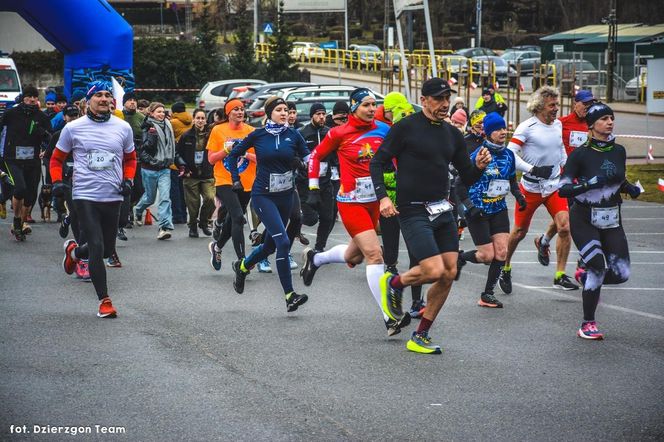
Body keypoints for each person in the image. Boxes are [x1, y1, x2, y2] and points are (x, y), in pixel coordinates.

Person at [369, 78, 491, 354]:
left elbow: (467, 177)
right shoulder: (405, 128)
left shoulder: (452, 134)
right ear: (423, 100)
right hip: (412, 209)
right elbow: (377, 162)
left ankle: (420, 334)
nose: (444, 104)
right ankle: (395, 283)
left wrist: (480, 167)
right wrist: (384, 197)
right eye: (438, 99)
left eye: (447, 98)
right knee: (433, 269)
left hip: (442, 208)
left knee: (448, 272)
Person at [301, 88, 407, 336]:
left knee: (354, 255)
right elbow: (315, 156)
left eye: (373, 105)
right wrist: (313, 188)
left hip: (376, 201)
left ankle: (316, 259)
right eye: (366, 105)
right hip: (351, 201)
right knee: (374, 255)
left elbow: (397, 159)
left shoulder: (384, 130)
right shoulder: (339, 132)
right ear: (354, 107)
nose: (371, 109)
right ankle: (388, 316)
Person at [50, 80, 136, 318]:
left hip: (113, 196)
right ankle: (105, 301)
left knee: (108, 249)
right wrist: (57, 182)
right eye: (99, 94)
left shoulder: (123, 127)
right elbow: (56, 159)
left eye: (108, 94)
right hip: (84, 195)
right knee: (97, 247)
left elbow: (130, 159)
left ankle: (75, 253)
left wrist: (128, 180)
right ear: (88, 101)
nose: (105, 98)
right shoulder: (74, 128)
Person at [558, 103, 640, 339]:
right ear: (592, 125)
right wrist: (587, 185)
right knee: (596, 266)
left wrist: (630, 188)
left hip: (612, 217)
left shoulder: (619, 151)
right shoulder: (580, 154)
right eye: (604, 119)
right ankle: (587, 323)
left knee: (622, 273)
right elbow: (563, 190)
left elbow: (618, 179)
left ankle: (584, 273)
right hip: (584, 218)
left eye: (611, 118)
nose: (610, 122)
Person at [227, 96, 310, 312]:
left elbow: (310, 160)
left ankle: (242, 266)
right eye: (279, 110)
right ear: (269, 113)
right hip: (263, 196)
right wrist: (235, 179)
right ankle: (290, 295)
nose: (284, 113)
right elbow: (233, 154)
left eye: (286, 110)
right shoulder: (258, 135)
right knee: (282, 242)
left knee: (271, 246)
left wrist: (302, 165)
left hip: (286, 195)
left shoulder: (294, 135)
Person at [498, 86, 578, 294]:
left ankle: (559, 275)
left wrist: (566, 168)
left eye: (557, 104)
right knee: (519, 232)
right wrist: (532, 169)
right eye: (552, 105)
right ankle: (504, 267)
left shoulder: (558, 125)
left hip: (554, 185)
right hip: (531, 187)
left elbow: (559, 147)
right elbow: (509, 154)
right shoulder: (527, 127)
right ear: (540, 106)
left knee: (564, 227)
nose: (556, 109)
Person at [455, 112, 527, 308]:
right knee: (486, 256)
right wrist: (469, 206)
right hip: (478, 210)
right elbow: (459, 185)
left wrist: (519, 197)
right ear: (487, 133)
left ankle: (487, 295)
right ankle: (460, 257)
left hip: (498, 209)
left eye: (504, 128)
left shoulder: (509, 155)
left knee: (502, 253)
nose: (503, 132)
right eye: (497, 129)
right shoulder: (477, 155)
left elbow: (511, 180)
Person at [533, 89, 596, 267]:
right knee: (570, 220)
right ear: (575, 104)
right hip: (565, 179)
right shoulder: (561, 124)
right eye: (584, 104)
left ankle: (543, 241)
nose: (587, 107)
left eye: (590, 104)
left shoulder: (593, 124)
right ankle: (584, 258)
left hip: (585, 178)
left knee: (566, 219)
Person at [207, 98, 256, 270]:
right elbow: (211, 159)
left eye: (242, 109)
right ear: (228, 113)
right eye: (235, 109)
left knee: (232, 219)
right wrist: (226, 150)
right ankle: (243, 262)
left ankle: (217, 247)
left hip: (246, 183)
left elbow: (260, 159)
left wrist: (244, 153)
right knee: (237, 217)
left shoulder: (252, 131)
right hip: (224, 180)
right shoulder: (218, 130)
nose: (240, 112)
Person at [0, 85, 51, 240]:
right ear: (24, 98)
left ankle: (20, 226)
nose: (33, 99)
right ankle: (16, 220)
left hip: (33, 160)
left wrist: (43, 140)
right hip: (11, 159)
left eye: (35, 97)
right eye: (29, 96)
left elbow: (50, 137)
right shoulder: (11, 113)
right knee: (19, 188)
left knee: (30, 197)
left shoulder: (41, 117)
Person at [134, 102, 176, 240]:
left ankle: (163, 228)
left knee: (165, 198)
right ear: (151, 113)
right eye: (158, 112)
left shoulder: (168, 126)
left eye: (163, 112)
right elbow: (143, 151)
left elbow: (172, 146)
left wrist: (179, 163)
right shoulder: (147, 127)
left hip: (164, 168)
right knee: (150, 198)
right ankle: (138, 210)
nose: (161, 114)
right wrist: (152, 138)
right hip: (149, 169)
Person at [297, 102, 334, 253]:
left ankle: (319, 247)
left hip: (325, 181)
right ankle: (294, 225)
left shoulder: (329, 132)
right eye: (318, 114)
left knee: (328, 216)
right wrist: (301, 165)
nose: (321, 117)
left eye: (323, 114)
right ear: (312, 115)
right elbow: (295, 153)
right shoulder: (302, 133)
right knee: (311, 219)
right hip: (305, 181)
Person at [175, 108, 215, 238]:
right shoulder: (186, 136)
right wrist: (184, 169)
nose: (200, 121)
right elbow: (177, 154)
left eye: (203, 118)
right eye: (198, 118)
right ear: (193, 119)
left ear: (205, 120)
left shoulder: (210, 135)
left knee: (210, 198)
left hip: (207, 174)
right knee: (193, 204)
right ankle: (193, 226)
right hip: (191, 175)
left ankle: (203, 222)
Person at [169, 101, 191, 224]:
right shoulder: (190, 120)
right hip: (186, 160)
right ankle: (184, 214)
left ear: (174, 111)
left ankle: (177, 216)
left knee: (175, 190)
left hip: (174, 162)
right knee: (184, 190)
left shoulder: (173, 123)